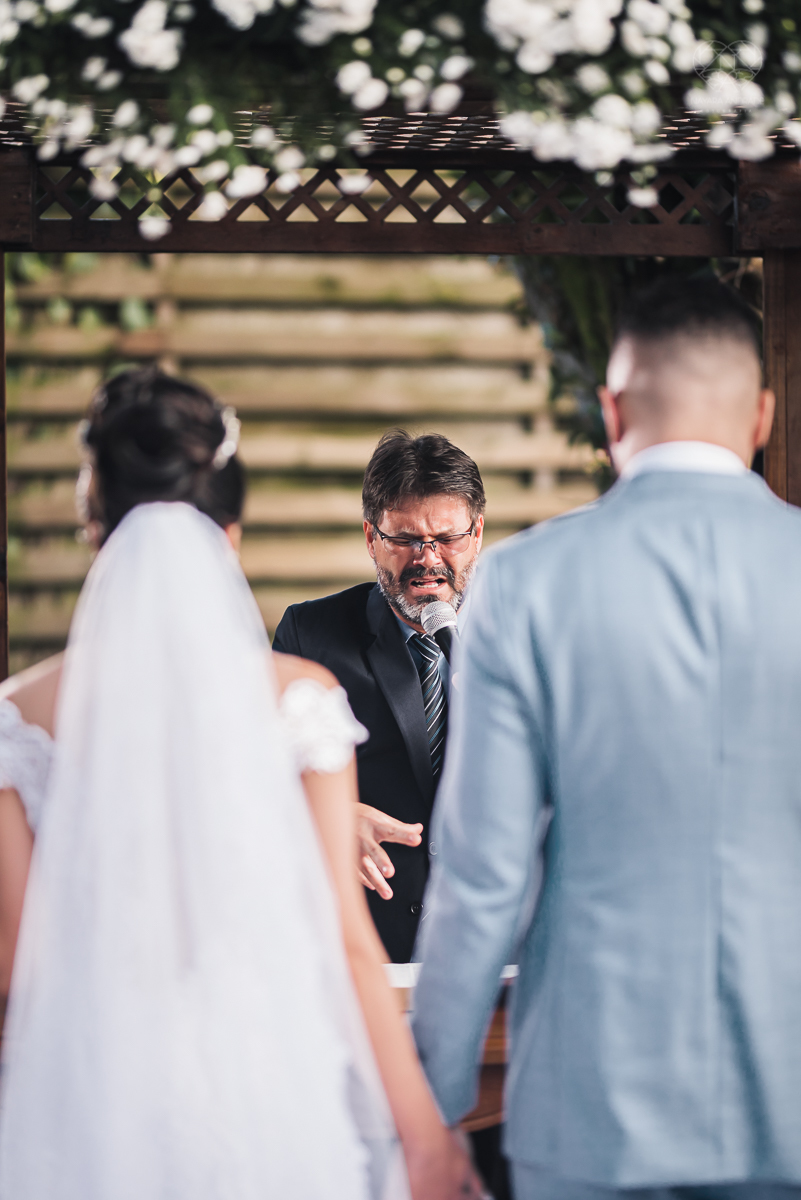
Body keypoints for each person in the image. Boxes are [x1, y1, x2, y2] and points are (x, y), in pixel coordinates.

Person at [0, 369, 480, 1200]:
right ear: (231, 531)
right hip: (267, 1088)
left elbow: (15, 975)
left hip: (88, 1105)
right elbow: (347, 951)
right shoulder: (299, 700)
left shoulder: (16, 719)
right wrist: (425, 1140)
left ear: (92, 521)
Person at [411, 276, 801, 1199]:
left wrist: (430, 1107)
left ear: (612, 409)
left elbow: (482, 875)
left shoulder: (522, 583)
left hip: (591, 1093)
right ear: (760, 414)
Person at [273, 430, 485, 965]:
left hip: (497, 950)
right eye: (406, 539)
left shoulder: (523, 636)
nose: (428, 559)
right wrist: (333, 816)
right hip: (361, 948)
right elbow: (255, 785)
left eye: (447, 538)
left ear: (477, 533)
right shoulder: (309, 633)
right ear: (371, 537)